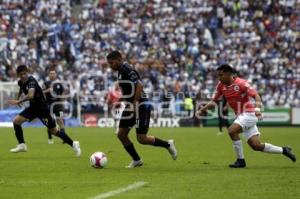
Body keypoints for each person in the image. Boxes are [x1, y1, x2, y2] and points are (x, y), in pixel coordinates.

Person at [198, 64, 296, 168]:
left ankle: (240, 160)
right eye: (218, 75)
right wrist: (203, 109)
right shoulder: (220, 85)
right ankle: (284, 150)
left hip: (249, 113)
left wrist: (257, 109)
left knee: (231, 131)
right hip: (241, 116)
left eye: (221, 75)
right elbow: (214, 102)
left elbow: (256, 96)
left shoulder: (241, 83)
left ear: (228, 74)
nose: (219, 77)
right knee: (256, 145)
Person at [106, 50, 177, 168]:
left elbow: (139, 86)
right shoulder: (119, 72)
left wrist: (134, 104)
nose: (110, 66)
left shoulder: (127, 69)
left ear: (119, 59)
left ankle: (168, 144)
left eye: (112, 63)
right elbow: (129, 90)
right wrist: (120, 101)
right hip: (130, 106)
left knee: (142, 138)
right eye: (109, 64)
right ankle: (136, 160)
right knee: (121, 134)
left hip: (141, 105)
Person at [8, 65, 81, 157]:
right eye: (21, 74)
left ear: (27, 72)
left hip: (42, 109)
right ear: (18, 75)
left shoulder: (32, 81)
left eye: (25, 73)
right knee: (16, 122)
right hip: (33, 108)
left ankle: (74, 144)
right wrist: (18, 98)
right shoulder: (21, 82)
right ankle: (22, 145)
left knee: (54, 131)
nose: (23, 76)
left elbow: (30, 95)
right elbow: (21, 88)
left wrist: (19, 101)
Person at [43, 68, 66, 144]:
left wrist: (62, 100)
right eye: (51, 73)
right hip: (49, 105)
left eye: (53, 73)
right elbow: (41, 92)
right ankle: (50, 138)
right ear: (49, 75)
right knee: (50, 121)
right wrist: (48, 90)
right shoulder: (46, 83)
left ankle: (64, 138)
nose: (52, 75)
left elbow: (63, 92)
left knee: (60, 121)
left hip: (58, 105)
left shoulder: (59, 83)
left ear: (56, 74)